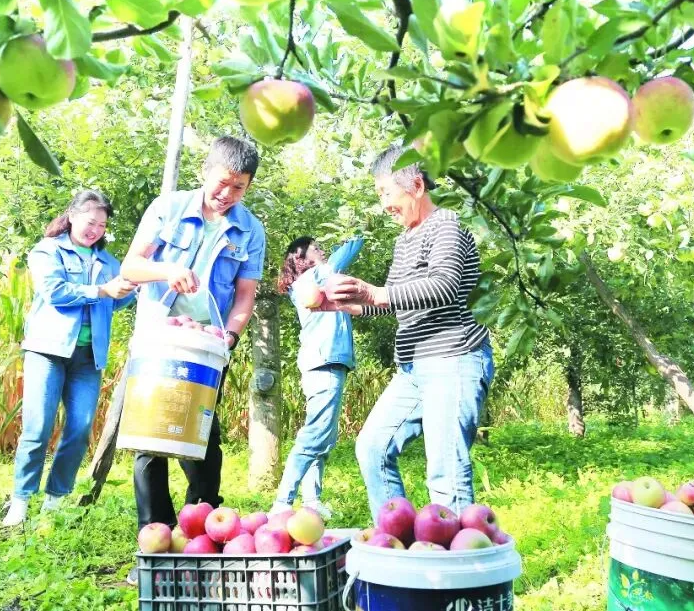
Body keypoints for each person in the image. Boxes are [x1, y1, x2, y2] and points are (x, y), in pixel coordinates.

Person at [120, 136, 265, 583]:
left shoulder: (250, 230)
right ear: (205, 172)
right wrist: (168, 270)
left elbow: (245, 295)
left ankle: (201, 535)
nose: (228, 194)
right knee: (151, 439)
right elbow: (131, 267)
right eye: (223, 183)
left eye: (239, 187)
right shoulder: (167, 208)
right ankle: (156, 542)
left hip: (207, 345)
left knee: (202, 437)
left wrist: (230, 336)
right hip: (160, 337)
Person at [322, 146, 494, 521]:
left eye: (386, 192)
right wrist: (352, 305)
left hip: (453, 360)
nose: (384, 204)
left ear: (416, 186)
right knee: (372, 448)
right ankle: (396, 537)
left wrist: (375, 294)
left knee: (446, 474)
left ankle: (458, 555)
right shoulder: (405, 239)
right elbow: (398, 300)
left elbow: (444, 285)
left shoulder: (447, 224)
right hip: (414, 368)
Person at [3, 190, 137, 527]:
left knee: (79, 428)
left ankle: (54, 500)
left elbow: (116, 303)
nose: (96, 230)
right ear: (73, 216)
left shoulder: (109, 263)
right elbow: (55, 292)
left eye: (102, 226)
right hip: (48, 351)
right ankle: (20, 501)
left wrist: (131, 289)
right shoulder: (47, 251)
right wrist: (101, 290)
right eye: (91, 222)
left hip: (88, 358)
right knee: (37, 428)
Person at [270, 234, 364, 519]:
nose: (322, 251)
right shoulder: (312, 277)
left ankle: (311, 500)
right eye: (316, 248)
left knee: (324, 435)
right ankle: (282, 503)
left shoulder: (315, 281)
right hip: (324, 363)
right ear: (301, 258)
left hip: (327, 363)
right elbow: (347, 252)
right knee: (315, 434)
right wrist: (360, 230)